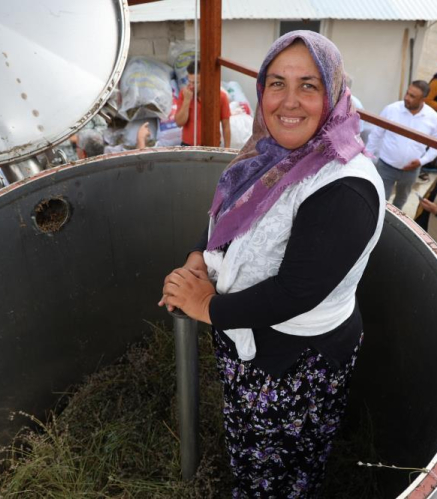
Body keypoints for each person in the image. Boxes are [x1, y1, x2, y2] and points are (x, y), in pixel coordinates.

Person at [158, 31, 384, 496]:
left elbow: (296, 293)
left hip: (295, 362)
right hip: (253, 338)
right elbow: (229, 215)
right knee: (252, 442)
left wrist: (207, 307)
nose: (289, 101)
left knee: (284, 466)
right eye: (277, 83)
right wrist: (199, 258)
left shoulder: (343, 186)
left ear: (335, 93)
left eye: (309, 85)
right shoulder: (270, 154)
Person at [366, 81, 437, 209]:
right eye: (408, 93)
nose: (407, 98)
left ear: (423, 99)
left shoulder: (433, 119)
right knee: (378, 200)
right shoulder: (392, 109)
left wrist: (421, 161)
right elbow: (375, 135)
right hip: (386, 166)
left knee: (400, 202)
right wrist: (367, 159)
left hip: (411, 171)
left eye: (413, 96)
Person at [175, 61, 231, 148]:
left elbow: (226, 126)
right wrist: (187, 101)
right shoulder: (184, 93)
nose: (191, 86)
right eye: (189, 82)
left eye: (196, 83)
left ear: (206, 81)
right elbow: (179, 123)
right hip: (188, 146)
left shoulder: (221, 97)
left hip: (212, 147)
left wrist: (227, 149)